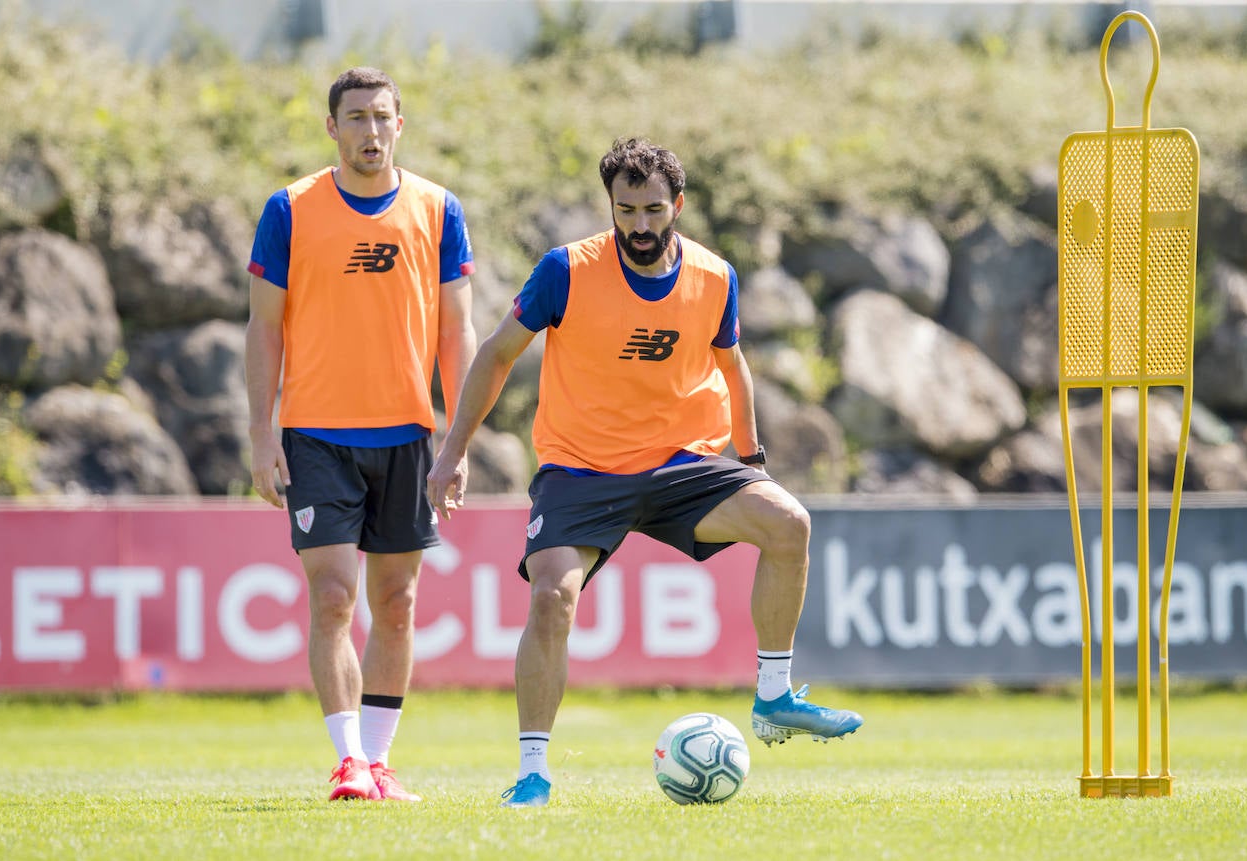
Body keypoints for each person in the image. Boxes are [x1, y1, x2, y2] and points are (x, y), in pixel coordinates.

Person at [426, 137, 862, 808]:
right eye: (625, 210)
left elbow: (731, 364)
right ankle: (534, 773)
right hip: (581, 468)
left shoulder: (715, 277)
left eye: (653, 209)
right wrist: (452, 453)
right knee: (551, 598)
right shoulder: (564, 271)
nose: (638, 225)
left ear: (677, 206)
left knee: (789, 526)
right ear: (611, 207)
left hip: (682, 461)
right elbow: (496, 355)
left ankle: (774, 696)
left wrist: (750, 462)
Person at [245, 67, 476, 802]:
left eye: (382, 117)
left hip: (407, 432)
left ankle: (380, 761)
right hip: (314, 432)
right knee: (335, 598)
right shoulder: (290, 209)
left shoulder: (439, 210)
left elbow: (458, 330)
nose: (370, 131)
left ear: (399, 125)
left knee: (399, 603)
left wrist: (457, 442)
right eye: (356, 118)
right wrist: (260, 431)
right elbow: (263, 326)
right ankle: (347, 760)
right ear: (332, 128)